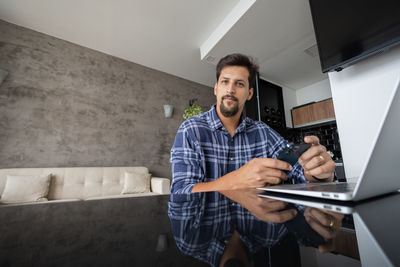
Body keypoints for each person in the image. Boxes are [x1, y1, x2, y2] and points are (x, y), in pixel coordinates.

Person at [168, 53, 336, 266]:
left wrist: (316, 173)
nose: (230, 89)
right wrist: (237, 179)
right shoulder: (190, 129)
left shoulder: (263, 132)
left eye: (239, 84)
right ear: (216, 88)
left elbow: (298, 172)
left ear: (249, 93)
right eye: (225, 82)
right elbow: (180, 192)